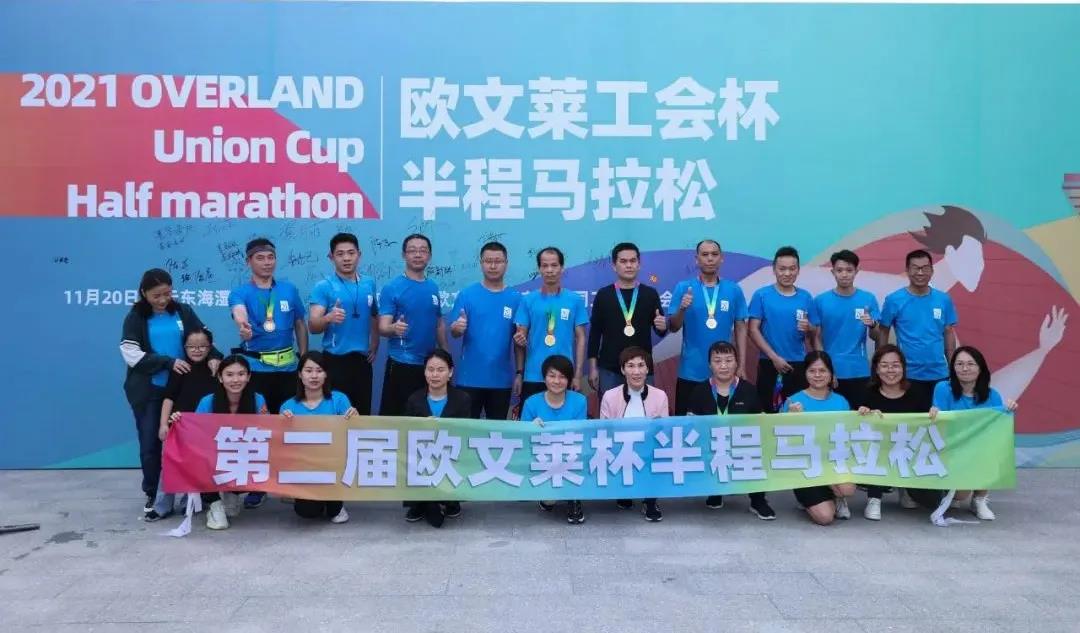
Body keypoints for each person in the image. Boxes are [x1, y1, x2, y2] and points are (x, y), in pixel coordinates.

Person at [120, 268, 221, 514]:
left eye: (167, 293)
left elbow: (203, 338)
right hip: (150, 390)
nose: (163, 299)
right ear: (144, 293)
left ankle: (195, 492)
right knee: (151, 443)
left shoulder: (183, 311)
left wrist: (214, 357)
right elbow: (131, 354)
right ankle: (153, 493)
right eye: (156, 295)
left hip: (184, 390)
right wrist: (167, 362)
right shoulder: (135, 317)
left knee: (193, 444)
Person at [229, 237, 308, 508]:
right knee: (258, 429)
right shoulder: (241, 292)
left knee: (289, 426)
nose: (266, 263)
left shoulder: (288, 289)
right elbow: (238, 312)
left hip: (288, 369)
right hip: (257, 370)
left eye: (270, 257)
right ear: (248, 261)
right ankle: (257, 485)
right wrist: (243, 326)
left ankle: (289, 482)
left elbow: (300, 323)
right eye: (260, 258)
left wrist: (304, 356)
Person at [685, 341, 776, 520]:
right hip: (711, 446)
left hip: (742, 446)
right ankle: (715, 491)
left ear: (736, 363)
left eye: (728, 360)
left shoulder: (749, 390)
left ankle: (758, 500)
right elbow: (691, 425)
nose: (723, 366)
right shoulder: (700, 391)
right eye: (717, 361)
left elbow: (760, 422)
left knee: (760, 449)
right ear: (710, 365)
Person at [928, 346, 1018, 521]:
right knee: (961, 495)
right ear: (953, 368)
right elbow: (940, 424)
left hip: (979, 450)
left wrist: (1008, 410)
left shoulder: (993, 395)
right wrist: (935, 413)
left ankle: (980, 499)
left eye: (970, 364)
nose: (965, 368)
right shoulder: (942, 388)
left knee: (992, 451)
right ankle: (955, 492)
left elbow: (996, 429)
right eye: (959, 364)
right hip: (951, 449)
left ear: (980, 368)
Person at [669, 240, 748, 415]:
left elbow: (741, 328)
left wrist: (741, 365)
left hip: (725, 373)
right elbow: (673, 327)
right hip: (690, 371)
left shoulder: (733, 290)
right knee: (687, 424)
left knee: (723, 424)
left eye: (714, 254)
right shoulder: (684, 288)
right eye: (705, 255)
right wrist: (682, 308)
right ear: (697, 259)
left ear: (721, 258)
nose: (710, 259)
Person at [149, 327, 219, 521]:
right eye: (191, 346)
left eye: (202, 346)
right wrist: (163, 424)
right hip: (178, 425)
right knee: (170, 465)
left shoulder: (216, 369)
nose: (197, 350)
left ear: (210, 347)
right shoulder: (180, 368)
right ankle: (162, 505)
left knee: (195, 465)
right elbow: (168, 398)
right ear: (184, 347)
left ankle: (188, 503)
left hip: (204, 429)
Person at [279, 351, 358, 524]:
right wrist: (282, 423)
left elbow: (352, 435)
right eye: (308, 371)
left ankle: (334, 502)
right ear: (300, 374)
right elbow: (280, 445)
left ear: (326, 374)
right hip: (304, 468)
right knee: (307, 512)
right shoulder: (288, 406)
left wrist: (355, 418)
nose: (314, 376)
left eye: (319, 370)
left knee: (334, 512)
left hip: (333, 465)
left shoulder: (339, 399)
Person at [193, 355, 269, 530]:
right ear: (220, 377)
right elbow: (194, 433)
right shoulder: (208, 401)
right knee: (197, 457)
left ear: (249, 376)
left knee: (233, 512)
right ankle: (213, 502)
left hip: (242, 456)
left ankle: (231, 491)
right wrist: (178, 420)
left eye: (241, 374)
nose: (236, 380)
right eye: (229, 374)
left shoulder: (257, 399)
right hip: (213, 456)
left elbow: (264, 435)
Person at [781, 351, 856, 526]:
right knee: (825, 517)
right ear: (805, 373)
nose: (817, 375)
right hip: (805, 467)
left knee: (848, 489)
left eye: (822, 371)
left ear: (831, 373)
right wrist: (790, 419)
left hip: (832, 463)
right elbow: (781, 440)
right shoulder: (793, 401)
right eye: (812, 371)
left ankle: (836, 496)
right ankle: (808, 498)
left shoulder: (841, 401)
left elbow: (849, 433)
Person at [307, 232, 379, 415]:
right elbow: (313, 326)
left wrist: (375, 341)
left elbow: (374, 314)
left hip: (362, 361)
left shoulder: (369, 283)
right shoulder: (323, 286)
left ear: (359, 255)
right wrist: (328, 318)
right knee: (335, 415)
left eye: (351, 253)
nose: (346, 258)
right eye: (340, 254)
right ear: (331, 257)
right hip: (335, 361)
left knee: (362, 415)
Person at [449, 242, 523, 420]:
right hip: (469, 379)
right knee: (466, 431)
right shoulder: (467, 295)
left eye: (498, 261)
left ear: (506, 264)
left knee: (496, 432)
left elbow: (519, 341)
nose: (493, 266)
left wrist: (520, 373)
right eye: (488, 261)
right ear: (481, 263)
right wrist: (457, 328)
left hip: (501, 381)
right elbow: (454, 331)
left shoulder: (516, 298)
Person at [855, 344, 928, 520]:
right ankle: (874, 498)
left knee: (931, 500)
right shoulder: (867, 393)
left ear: (903, 368)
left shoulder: (916, 392)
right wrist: (863, 414)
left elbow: (927, 427)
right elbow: (855, 428)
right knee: (874, 448)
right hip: (878, 451)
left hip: (908, 450)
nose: (890, 370)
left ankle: (905, 488)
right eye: (885, 365)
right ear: (877, 369)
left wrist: (933, 413)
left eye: (895, 365)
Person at [378, 234, 448, 416]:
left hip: (429, 368)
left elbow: (439, 324)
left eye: (423, 251)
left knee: (424, 421)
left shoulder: (433, 287)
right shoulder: (392, 287)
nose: (418, 255)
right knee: (397, 419)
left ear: (429, 256)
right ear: (404, 255)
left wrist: (446, 354)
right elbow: (383, 327)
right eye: (412, 250)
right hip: (402, 363)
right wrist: (393, 328)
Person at [403, 350, 473, 527]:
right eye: (430, 369)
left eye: (441, 370)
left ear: (450, 372)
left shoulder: (462, 399)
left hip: (450, 454)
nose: (435, 375)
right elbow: (406, 432)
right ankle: (421, 503)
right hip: (422, 456)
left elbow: (465, 432)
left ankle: (447, 501)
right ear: (424, 372)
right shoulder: (414, 399)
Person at [598, 347, 669, 521]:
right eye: (630, 366)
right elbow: (603, 433)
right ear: (623, 370)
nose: (636, 372)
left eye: (641, 365)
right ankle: (624, 490)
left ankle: (650, 500)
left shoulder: (660, 396)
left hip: (648, 450)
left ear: (647, 369)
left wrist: (657, 428)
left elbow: (665, 435)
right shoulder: (610, 396)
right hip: (620, 451)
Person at [878, 249, 958, 404]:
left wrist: (952, 366)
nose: (920, 272)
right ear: (907, 271)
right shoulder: (894, 300)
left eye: (925, 268)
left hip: (940, 373)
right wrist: (881, 364)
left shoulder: (943, 299)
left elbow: (948, 332)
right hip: (907, 374)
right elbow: (883, 331)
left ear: (932, 271)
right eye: (915, 268)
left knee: (939, 416)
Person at [588, 242, 667, 396]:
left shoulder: (650, 294)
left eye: (632, 261)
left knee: (644, 410)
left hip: (642, 368)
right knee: (610, 410)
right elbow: (595, 334)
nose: (629, 265)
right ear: (614, 265)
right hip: (610, 369)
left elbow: (660, 330)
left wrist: (662, 327)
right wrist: (592, 367)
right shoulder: (604, 295)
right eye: (623, 261)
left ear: (639, 264)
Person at [513, 247, 588, 405]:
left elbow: (581, 338)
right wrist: (519, 372)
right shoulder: (528, 300)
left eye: (554, 265)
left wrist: (577, 375)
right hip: (533, 375)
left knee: (564, 420)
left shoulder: (574, 300)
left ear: (562, 268)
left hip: (564, 374)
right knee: (532, 419)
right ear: (539, 269)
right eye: (545, 266)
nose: (549, 270)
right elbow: (521, 335)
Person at [749, 246, 819, 413]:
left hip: (798, 364)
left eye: (792, 269)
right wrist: (774, 358)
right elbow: (752, 330)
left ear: (798, 270)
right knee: (768, 412)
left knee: (797, 413)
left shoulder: (806, 297)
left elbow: (815, 332)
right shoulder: (762, 295)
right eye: (782, 269)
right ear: (774, 269)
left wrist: (809, 327)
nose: (787, 273)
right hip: (769, 363)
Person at [521, 355, 589, 524]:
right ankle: (548, 496)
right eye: (552, 376)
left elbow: (581, 434)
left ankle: (574, 499)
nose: (557, 381)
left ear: (569, 380)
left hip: (570, 455)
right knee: (549, 501)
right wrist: (531, 428)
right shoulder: (531, 403)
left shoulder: (580, 401)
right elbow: (522, 438)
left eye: (562, 377)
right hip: (542, 457)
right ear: (544, 378)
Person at [813, 249, 882, 407]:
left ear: (856, 271)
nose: (844, 274)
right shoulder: (820, 301)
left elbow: (877, 336)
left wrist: (872, 324)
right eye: (839, 270)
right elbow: (816, 338)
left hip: (859, 371)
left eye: (849, 270)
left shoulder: (868, 299)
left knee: (860, 415)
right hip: (831, 372)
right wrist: (825, 369)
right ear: (833, 272)